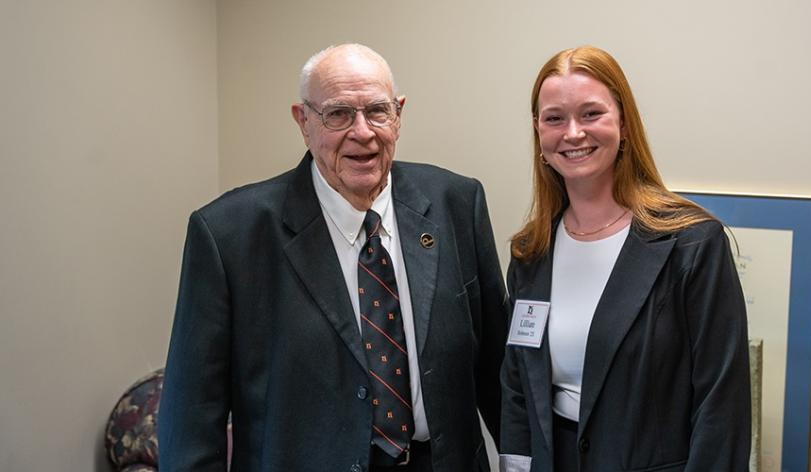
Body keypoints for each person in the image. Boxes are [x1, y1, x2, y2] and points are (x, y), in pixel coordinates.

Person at [159, 43, 507, 472]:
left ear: (398, 115)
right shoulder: (229, 235)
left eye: (378, 111)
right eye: (338, 114)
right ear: (303, 121)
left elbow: (499, 374)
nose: (362, 132)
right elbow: (192, 417)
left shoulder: (457, 203)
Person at [499, 46, 751, 472]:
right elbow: (518, 391)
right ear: (539, 134)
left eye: (591, 113)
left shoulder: (691, 245)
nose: (573, 133)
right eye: (555, 118)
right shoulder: (531, 253)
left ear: (624, 123)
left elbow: (721, 406)